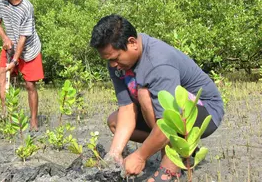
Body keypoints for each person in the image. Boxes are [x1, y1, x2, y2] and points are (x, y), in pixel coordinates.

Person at [89, 14, 224, 182]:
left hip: (205, 112)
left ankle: (170, 168)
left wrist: (140, 156)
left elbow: (168, 121)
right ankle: (183, 149)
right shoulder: (117, 63)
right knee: (115, 122)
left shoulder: (158, 61)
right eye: (108, 60)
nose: (112, 65)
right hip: (167, 114)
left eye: (115, 58)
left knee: (144, 93)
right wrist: (114, 154)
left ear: (132, 43)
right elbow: (127, 108)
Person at [0, 0, 44, 131]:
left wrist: (15, 60)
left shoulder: (26, 7)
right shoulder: (1, 0)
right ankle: (5, 113)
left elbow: (24, 37)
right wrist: (5, 38)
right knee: (1, 73)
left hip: (29, 49)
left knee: (30, 85)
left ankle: (33, 120)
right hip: (10, 45)